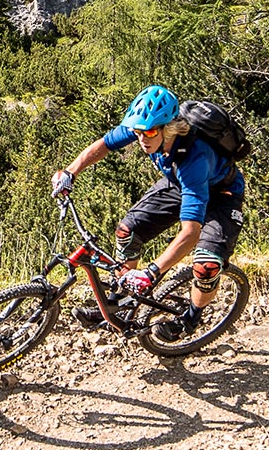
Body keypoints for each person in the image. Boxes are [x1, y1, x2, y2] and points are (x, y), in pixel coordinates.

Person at [50, 85, 246, 340]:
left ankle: (192, 317)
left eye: (150, 132)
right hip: (179, 185)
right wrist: (70, 172)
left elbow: (190, 233)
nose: (143, 139)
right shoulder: (145, 128)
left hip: (221, 196)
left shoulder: (194, 160)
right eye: (138, 132)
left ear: (170, 128)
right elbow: (104, 144)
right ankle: (118, 302)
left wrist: (151, 272)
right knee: (127, 232)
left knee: (206, 266)